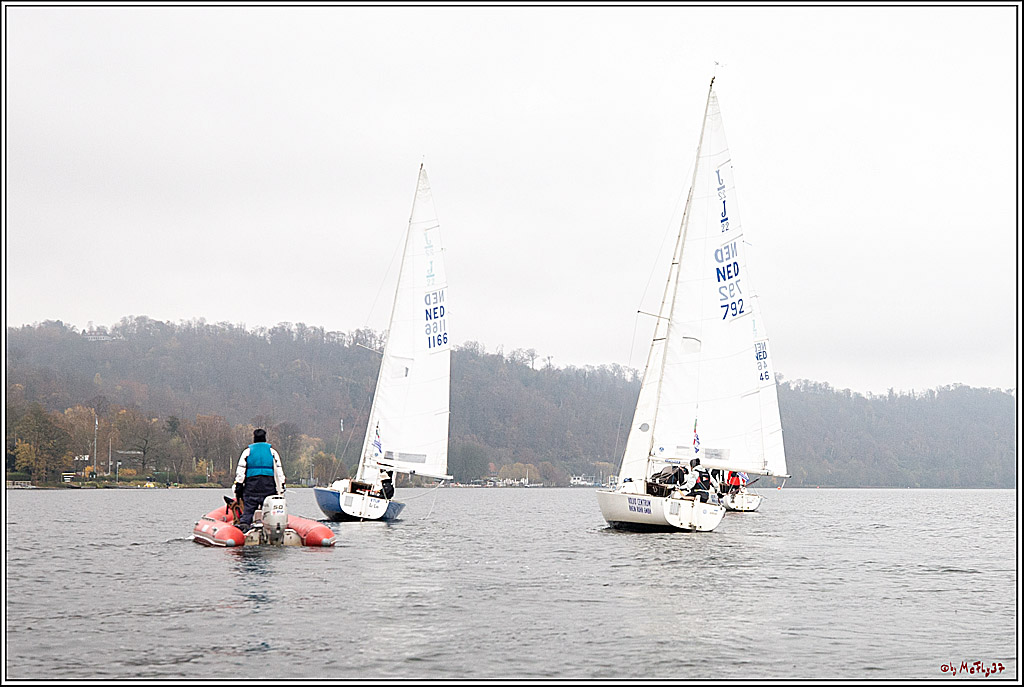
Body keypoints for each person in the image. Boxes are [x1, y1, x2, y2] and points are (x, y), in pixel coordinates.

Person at [233, 428, 286, 530]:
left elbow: (241, 470)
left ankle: (244, 527)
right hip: (268, 485)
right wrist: (282, 486)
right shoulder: (272, 452)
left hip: (252, 485)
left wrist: (239, 486)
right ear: (265, 438)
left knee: (248, 509)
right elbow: (279, 471)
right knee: (269, 507)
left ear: (254, 438)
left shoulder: (247, 451)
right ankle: (272, 526)